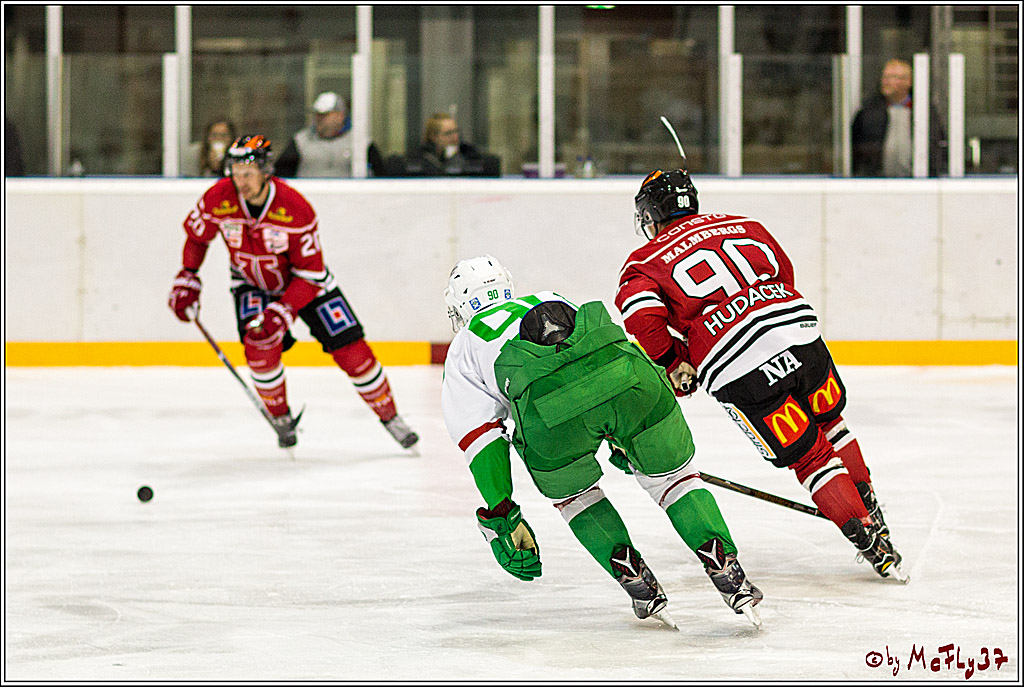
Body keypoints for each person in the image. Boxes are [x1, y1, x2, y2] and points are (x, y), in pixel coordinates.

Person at [615, 168, 908, 582]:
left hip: (740, 364)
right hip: (800, 333)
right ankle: (870, 511)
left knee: (810, 456)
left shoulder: (643, 261)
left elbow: (641, 318)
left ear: (650, 215)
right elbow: (784, 273)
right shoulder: (746, 224)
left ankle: (868, 539)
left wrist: (675, 359)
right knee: (833, 425)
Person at [440, 255, 764, 628]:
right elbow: (603, 356)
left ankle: (636, 580)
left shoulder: (465, 345)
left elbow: (482, 439)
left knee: (576, 497)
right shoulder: (548, 296)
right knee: (675, 481)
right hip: (633, 383)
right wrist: (622, 436)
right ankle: (726, 567)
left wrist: (503, 514)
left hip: (552, 417)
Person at [167, 135, 419, 450]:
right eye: (234, 171)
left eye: (247, 173)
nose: (239, 180)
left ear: (265, 171)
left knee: (353, 353)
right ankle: (281, 417)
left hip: (307, 286)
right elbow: (197, 237)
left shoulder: (295, 207)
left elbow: (311, 273)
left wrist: (284, 311)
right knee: (259, 344)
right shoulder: (218, 197)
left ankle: (391, 417)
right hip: (252, 283)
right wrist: (187, 276)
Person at [851, 58, 947, 177]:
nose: (885, 82)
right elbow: (857, 149)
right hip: (877, 184)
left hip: (917, 184)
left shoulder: (924, 111)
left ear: (908, 81)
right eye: (884, 77)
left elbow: (937, 147)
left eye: (892, 77)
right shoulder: (868, 111)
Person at [405, 113, 497, 176]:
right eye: (448, 133)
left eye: (456, 131)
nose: (455, 137)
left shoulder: (468, 153)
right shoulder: (419, 157)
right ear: (434, 136)